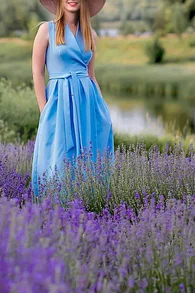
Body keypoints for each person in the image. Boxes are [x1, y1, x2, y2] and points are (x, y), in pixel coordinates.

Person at [31, 0, 114, 198]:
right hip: (59, 102)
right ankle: (54, 207)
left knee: (88, 154)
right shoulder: (46, 30)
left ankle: (87, 205)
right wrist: (44, 110)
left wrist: (103, 109)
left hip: (88, 103)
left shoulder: (90, 35)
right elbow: (37, 72)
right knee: (57, 153)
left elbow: (91, 75)